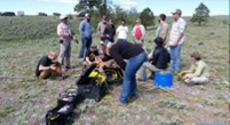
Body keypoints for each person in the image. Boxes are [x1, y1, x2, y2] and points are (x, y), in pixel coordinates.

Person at [99, 41, 147, 105]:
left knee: (127, 77)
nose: (107, 55)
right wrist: (102, 60)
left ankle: (123, 100)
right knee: (131, 75)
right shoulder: (115, 47)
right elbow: (109, 57)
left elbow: (120, 61)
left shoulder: (112, 50)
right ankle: (133, 94)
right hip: (142, 53)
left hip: (136, 57)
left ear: (107, 50)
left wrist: (125, 69)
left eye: (105, 53)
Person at [167, 9, 187, 74]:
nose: (173, 15)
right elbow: (173, 32)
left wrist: (176, 41)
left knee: (176, 56)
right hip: (172, 41)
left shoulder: (182, 22)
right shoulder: (175, 22)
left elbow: (180, 33)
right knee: (172, 56)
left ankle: (176, 69)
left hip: (177, 42)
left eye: (174, 14)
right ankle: (172, 67)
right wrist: (169, 40)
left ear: (178, 14)